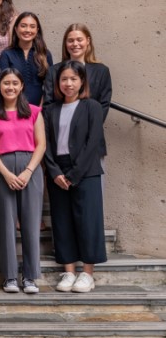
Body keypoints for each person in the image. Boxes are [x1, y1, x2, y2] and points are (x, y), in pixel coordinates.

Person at [43, 61, 107, 293]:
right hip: (57, 170)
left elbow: (93, 143)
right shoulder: (50, 110)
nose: (68, 83)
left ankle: (87, 274)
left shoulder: (92, 107)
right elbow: (46, 145)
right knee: (62, 221)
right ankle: (68, 271)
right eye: (64, 79)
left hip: (86, 170)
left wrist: (74, 174)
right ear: (58, 83)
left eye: (73, 79)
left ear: (82, 82)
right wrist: (56, 172)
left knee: (88, 221)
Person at [0, 69, 46, 294]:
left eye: (15, 83)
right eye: (6, 83)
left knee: (30, 223)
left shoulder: (34, 112)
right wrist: (6, 174)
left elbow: (41, 145)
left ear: (21, 87)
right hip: (2, 169)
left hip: (31, 168)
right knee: (6, 224)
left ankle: (30, 277)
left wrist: (28, 171)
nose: (10, 87)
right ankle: (9, 276)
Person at [43, 23, 112, 121]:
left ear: (88, 41)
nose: (75, 44)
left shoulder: (101, 71)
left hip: (89, 130)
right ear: (65, 43)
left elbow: (104, 104)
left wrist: (92, 127)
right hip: (59, 128)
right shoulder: (53, 71)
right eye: (70, 40)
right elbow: (47, 104)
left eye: (79, 40)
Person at [0, 12, 53, 106]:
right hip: (13, 109)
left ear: (37, 30)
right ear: (16, 29)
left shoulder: (45, 54)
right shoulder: (6, 54)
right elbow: (5, 85)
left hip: (39, 110)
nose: (28, 30)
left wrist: (40, 109)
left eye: (32, 26)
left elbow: (49, 85)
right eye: (23, 26)